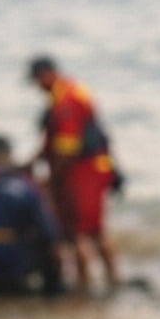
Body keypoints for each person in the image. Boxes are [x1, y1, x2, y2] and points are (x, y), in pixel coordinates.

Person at [28, 55, 120, 293]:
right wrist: (32, 163)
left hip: (82, 170)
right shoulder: (67, 93)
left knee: (80, 232)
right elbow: (51, 143)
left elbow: (67, 149)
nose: (37, 86)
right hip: (88, 168)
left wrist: (51, 178)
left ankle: (85, 285)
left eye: (37, 80)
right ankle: (111, 280)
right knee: (93, 229)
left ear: (46, 74)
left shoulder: (66, 100)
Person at [0, 136, 62, 295]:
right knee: (51, 244)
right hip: (15, 263)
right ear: (7, 155)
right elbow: (49, 232)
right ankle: (54, 294)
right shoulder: (25, 185)